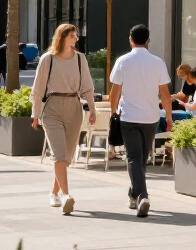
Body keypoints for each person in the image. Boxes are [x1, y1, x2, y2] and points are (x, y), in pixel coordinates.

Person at [31, 24, 96, 216]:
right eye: (72, 36)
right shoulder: (47, 59)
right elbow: (38, 89)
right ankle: (66, 195)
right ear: (62, 37)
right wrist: (35, 114)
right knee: (59, 154)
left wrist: (92, 109)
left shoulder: (80, 59)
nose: (76, 39)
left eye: (76, 36)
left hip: (74, 107)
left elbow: (87, 87)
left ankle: (54, 192)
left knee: (66, 157)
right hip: (51, 107)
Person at [109, 24, 173, 218]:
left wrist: (113, 112)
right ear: (148, 41)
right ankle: (134, 195)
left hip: (129, 116)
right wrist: (168, 117)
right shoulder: (158, 62)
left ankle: (141, 195)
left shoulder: (123, 61)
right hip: (151, 117)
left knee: (134, 158)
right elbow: (165, 93)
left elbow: (115, 90)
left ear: (130, 39)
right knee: (141, 158)